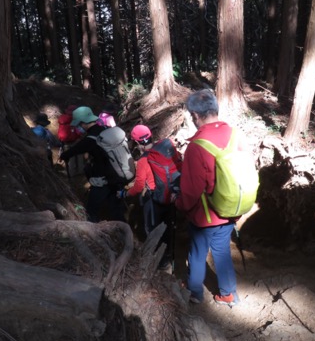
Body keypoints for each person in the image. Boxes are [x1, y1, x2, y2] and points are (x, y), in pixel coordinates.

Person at [175, 89, 246, 306]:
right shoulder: (235, 134)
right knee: (222, 251)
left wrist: (180, 205)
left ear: (195, 115)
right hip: (231, 208)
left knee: (197, 253)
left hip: (205, 216)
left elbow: (192, 190)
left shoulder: (197, 146)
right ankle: (228, 293)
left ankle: (195, 293)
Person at [120, 124, 182, 272]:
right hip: (170, 195)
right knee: (167, 226)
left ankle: (159, 261)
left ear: (136, 142)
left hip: (154, 199)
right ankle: (168, 256)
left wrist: (125, 194)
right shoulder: (163, 151)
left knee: (152, 228)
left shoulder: (143, 161)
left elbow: (139, 185)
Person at [59, 106, 126, 222]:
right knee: (116, 210)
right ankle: (124, 234)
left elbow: (75, 150)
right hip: (118, 177)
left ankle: (95, 236)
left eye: (79, 124)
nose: (78, 127)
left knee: (91, 211)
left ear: (84, 122)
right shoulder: (105, 129)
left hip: (102, 180)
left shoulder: (91, 139)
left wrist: (63, 156)